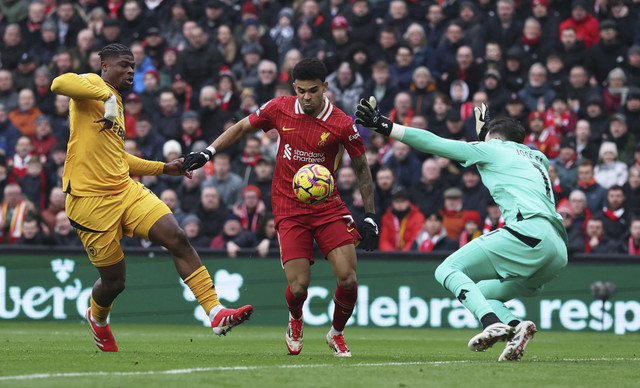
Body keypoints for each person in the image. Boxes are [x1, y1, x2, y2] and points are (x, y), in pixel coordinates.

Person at [50, 43, 252, 353]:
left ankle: (215, 312)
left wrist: (163, 168)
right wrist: (102, 94)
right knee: (115, 283)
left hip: (123, 190)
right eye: (123, 64)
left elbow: (118, 158)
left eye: (133, 65)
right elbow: (58, 83)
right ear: (104, 65)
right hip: (89, 202)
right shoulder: (92, 85)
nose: (130, 70)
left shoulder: (115, 102)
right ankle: (98, 317)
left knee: (176, 236)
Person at [182, 58, 378, 358]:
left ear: (325, 87)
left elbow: (362, 168)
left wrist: (370, 216)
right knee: (299, 287)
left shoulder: (340, 123)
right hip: (288, 207)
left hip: (328, 206)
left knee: (349, 278)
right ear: (294, 88)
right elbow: (242, 126)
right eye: (301, 90)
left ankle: (336, 333)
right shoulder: (280, 107)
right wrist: (208, 151)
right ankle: (296, 319)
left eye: (313, 90)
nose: (307, 97)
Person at [355, 97, 568, 362]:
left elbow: (437, 143)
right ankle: (516, 327)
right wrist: (487, 136)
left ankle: (490, 323)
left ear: (494, 138)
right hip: (557, 249)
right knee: (482, 293)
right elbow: (509, 155)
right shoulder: (538, 158)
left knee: (446, 270)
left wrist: (386, 126)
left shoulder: (493, 149)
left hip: (529, 232)